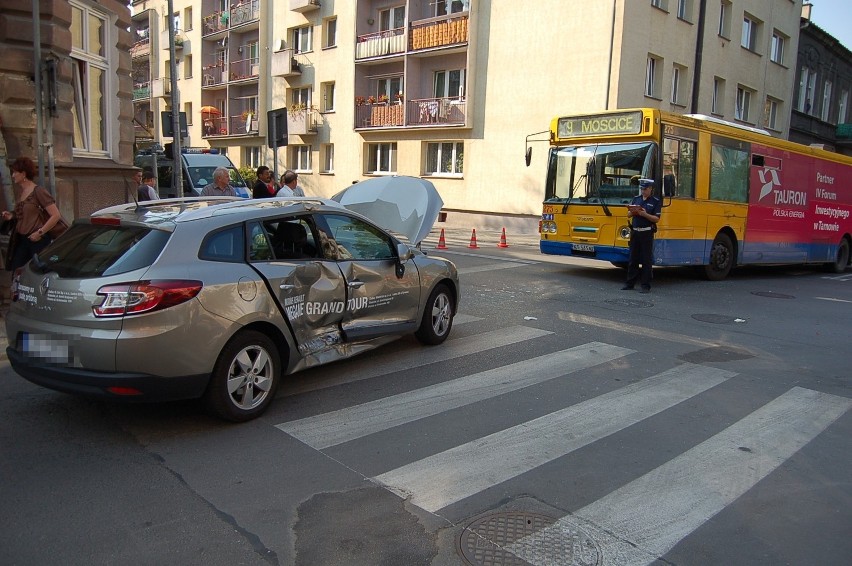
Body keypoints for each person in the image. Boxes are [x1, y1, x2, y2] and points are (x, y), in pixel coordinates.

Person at [1, 156, 65, 271]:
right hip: (22, 239)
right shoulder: (22, 192)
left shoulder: (38, 191)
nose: (13, 175)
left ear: (24, 174)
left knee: (38, 271)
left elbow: (56, 215)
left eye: (15, 172)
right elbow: (24, 214)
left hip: (37, 240)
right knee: (16, 271)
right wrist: (11, 215)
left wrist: (40, 232)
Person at [621, 178, 661, 294]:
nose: (643, 191)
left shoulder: (655, 201)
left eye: (645, 189)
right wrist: (633, 210)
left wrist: (644, 214)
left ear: (650, 189)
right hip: (635, 232)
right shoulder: (636, 199)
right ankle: (630, 283)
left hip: (646, 232)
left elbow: (656, 219)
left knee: (646, 259)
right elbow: (628, 215)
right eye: (642, 189)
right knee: (633, 258)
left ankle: (645, 285)